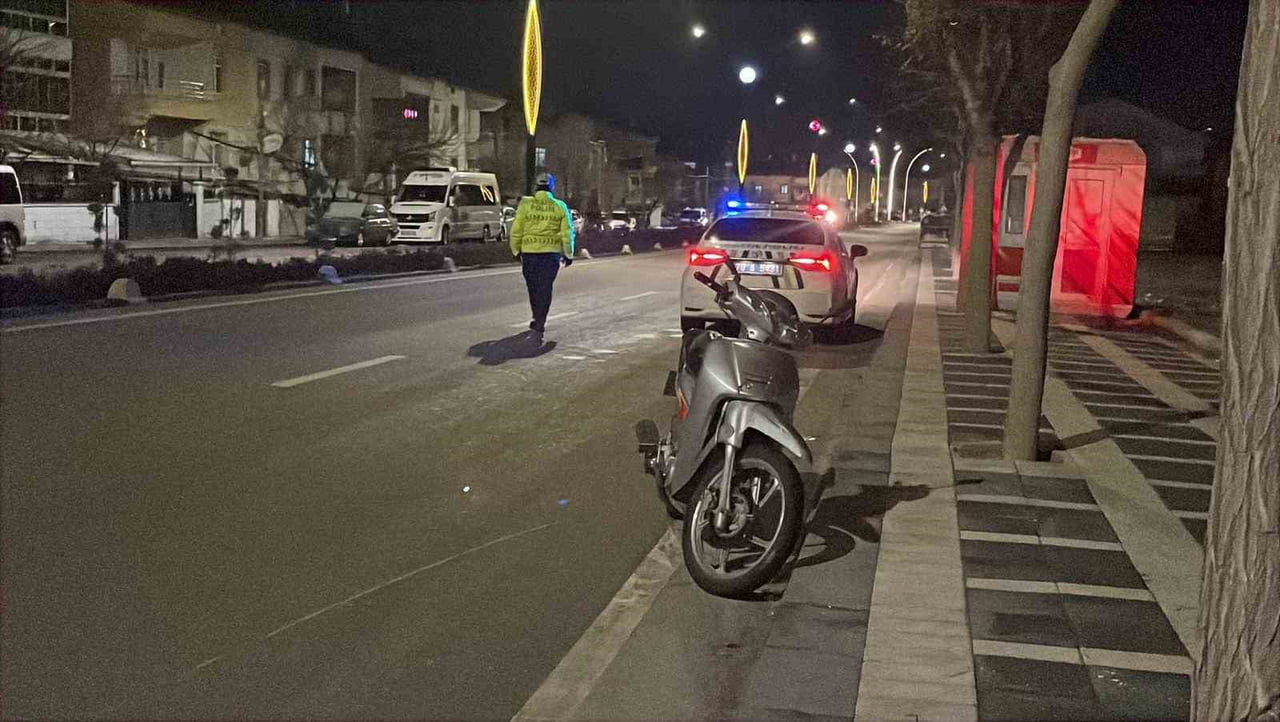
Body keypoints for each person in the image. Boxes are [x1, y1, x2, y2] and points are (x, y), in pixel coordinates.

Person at [509, 172, 575, 340]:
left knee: (533, 287)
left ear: (536, 186)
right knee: (545, 287)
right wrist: (568, 254)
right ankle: (540, 319)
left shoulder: (525, 205)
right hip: (550, 254)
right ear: (551, 187)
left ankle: (535, 316)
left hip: (529, 254)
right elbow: (567, 233)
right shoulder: (560, 206)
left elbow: (516, 230)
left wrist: (515, 250)